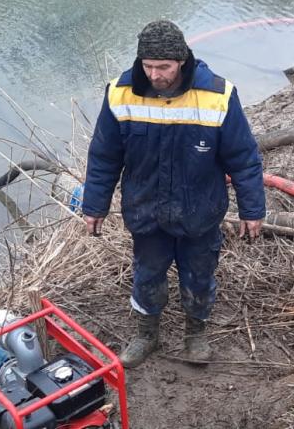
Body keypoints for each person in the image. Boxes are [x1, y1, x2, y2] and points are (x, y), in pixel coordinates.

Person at [82, 19, 266, 368]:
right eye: (148, 66)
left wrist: (252, 210)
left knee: (199, 275)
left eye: (163, 67)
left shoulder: (218, 95)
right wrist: (95, 206)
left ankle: (195, 333)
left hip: (200, 211)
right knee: (147, 273)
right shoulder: (120, 93)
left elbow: (243, 159)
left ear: (182, 60)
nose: (155, 75)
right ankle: (146, 334)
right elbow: (104, 156)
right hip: (145, 210)